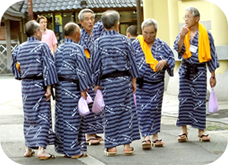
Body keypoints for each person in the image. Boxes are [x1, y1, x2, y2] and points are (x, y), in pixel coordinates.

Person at [92, 10, 140, 156]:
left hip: (107, 82)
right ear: (117, 24)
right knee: (126, 112)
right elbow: (132, 62)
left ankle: (112, 147)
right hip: (124, 80)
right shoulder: (125, 40)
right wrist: (133, 80)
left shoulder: (98, 42)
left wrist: (96, 83)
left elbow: (95, 65)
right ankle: (127, 146)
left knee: (110, 113)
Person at [10, 20, 58, 160]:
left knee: (29, 116)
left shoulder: (19, 48)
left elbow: (15, 67)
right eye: (41, 31)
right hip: (39, 84)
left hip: (26, 86)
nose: (42, 33)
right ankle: (41, 150)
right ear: (36, 32)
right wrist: (49, 87)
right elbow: (49, 67)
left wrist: (21, 76)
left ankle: (28, 148)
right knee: (43, 116)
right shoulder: (42, 46)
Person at [173, 7, 219, 142]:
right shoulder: (183, 32)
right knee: (184, 99)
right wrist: (182, 36)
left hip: (200, 70)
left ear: (197, 18)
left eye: (188, 16)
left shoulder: (206, 34)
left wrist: (213, 75)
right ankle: (183, 130)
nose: (185, 19)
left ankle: (201, 131)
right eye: (185, 17)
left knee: (199, 100)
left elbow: (212, 55)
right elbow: (178, 50)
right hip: (185, 70)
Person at [132, 18, 175, 149]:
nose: (148, 36)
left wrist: (165, 62)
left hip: (157, 84)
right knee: (143, 110)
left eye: (151, 33)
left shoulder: (162, 45)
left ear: (156, 32)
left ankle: (155, 136)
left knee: (155, 110)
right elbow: (128, 61)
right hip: (141, 84)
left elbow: (171, 57)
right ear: (141, 31)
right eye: (145, 32)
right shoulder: (135, 44)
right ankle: (146, 137)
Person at [54, 22, 92, 158]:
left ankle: (64, 149)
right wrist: (84, 89)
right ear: (76, 33)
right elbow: (82, 71)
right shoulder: (77, 49)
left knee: (62, 118)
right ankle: (74, 151)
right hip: (73, 87)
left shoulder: (58, 49)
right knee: (73, 119)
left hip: (60, 88)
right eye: (79, 32)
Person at [78, 8, 104, 145]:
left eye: (92, 18)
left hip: (97, 73)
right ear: (81, 22)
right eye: (87, 19)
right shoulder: (80, 37)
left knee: (97, 103)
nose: (90, 21)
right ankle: (89, 134)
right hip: (86, 74)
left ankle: (95, 132)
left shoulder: (97, 34)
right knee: (88, 102)